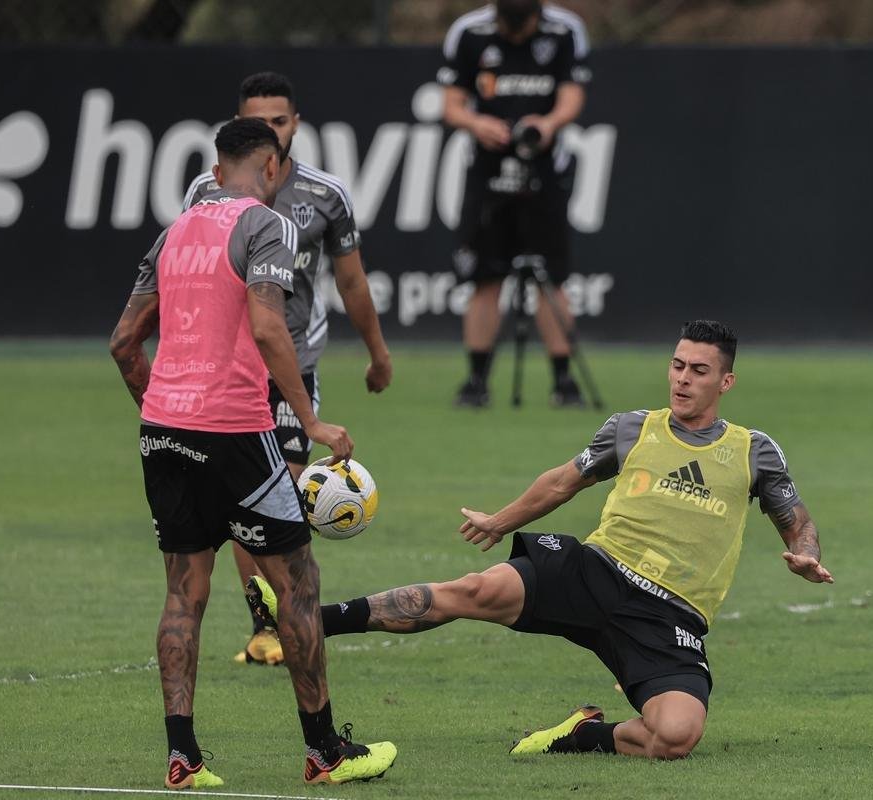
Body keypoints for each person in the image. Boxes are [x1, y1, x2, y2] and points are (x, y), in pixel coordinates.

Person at [248, 320, 833, 759]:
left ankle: (583, 734)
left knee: (676, 736)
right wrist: (502, 521)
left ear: (726, 380)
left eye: (699, 371)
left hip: (670, 615)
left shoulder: (753, 450)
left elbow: (795, 519)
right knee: (472, 591)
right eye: (678, 365)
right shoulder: (633, 428)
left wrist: (806, 553)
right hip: (596, 570)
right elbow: (562, 482)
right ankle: (308, 619)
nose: (683, 378)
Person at [110, 118, 397, 788]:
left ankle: (183, 758)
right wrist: (311, 421)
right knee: (298, 583)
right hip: (234, 429)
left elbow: (124, 343)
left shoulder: (172, 231)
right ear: (272, 168)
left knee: (185, 592)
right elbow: (269, 326)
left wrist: (163, 415)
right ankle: (324, 750)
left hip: (162, 429)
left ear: (215, 172)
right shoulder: (268, 225)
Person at [183, 71, 393, 667]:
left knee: (279, 493)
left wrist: (377, 353)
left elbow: (350, 280)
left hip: (289, 365)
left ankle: (276, 620)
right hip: (223, 370)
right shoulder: (206, 191)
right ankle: (267, 622)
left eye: (281, 120)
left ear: (296, 123)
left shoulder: (326, 195)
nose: (272, 132)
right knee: (239, 500)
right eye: (260, 121)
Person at [439, 0, 592, 407]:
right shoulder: (469, 32)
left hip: (545, 172)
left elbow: (572, 95)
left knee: (552, 277)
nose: (516, 35)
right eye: (509, 29)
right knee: (486, 279)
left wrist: (549, 124)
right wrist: (477, 123)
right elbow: (451, 103)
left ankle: (563, 381)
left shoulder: (565, 30)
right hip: (487, 174)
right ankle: (476, 380)